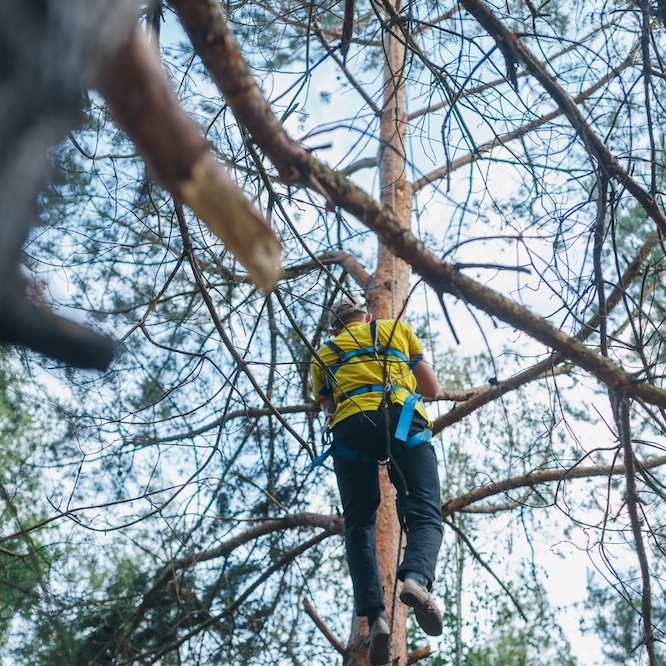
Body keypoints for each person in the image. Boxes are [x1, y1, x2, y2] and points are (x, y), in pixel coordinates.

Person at [310, 296, 444, 666]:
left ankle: (376, 618)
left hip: (350, 432)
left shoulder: (324, 352)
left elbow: (328, 407)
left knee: (358, 526)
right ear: (367, 316)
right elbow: (430, 389)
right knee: (425, 510)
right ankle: (416, 578)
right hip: (402, 420)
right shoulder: (396, 329)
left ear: (334, 328)